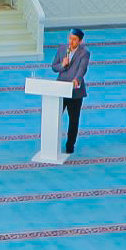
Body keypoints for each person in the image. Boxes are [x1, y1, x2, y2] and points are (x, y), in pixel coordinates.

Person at [49, 28, 91, 157]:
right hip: (60, 89)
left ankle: (70, 145)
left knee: (73, 120)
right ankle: (51, 143)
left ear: (80, 41)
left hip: (75, 92)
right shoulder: (62, 48)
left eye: (74, 39)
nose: (71, 41)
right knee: (55, 117)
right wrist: (62, 65)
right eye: (70, 38)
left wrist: (76, 80)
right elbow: (54, 67)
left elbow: (82, 69)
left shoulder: (84, 53)